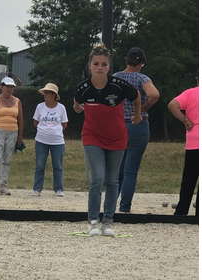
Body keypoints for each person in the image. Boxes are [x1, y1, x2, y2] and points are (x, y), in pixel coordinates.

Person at [73, 43, 142, 236]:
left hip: (117, 137)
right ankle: (93, 221)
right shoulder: (83, 87)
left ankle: (108, 221)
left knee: (112, 180)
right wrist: (77, 108)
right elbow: (77, 102)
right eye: (96, 64)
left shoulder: (119, 85)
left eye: (104, 64)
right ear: (90, 65)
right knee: (98, 177)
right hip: (92, 136)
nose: (100, 68)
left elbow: (137, 97)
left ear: (109, 66)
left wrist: (137, 116)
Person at [113, 47, 160, 213]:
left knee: (118, 169)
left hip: (118, 125)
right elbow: (154, 95)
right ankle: (124, 207)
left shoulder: (115, 78)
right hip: (137, 125)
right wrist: (144, 108)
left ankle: (110, 205)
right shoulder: (142, 78)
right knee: (130, 170)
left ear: (126, 60)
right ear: (141, 63)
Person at [167, 75, 199, 216]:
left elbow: (172, 105)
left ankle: (181, 211)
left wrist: (185, 120)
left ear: (198, 78)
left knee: (189, 178)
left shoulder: (190, 93)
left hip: (194, 138)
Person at [31, 83, 68, 197]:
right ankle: (37, 188)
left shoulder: (61, 108)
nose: (45, 95)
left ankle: (58, 189)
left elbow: (64, 124)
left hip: (57, 141)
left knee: (57, 166)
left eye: (47, 93)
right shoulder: (40, 107)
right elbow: (36, 122)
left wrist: (55, 132)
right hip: (41, 140)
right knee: (40, 165)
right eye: (44, 93)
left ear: (53, 95)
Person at [0, 77, 24, 195]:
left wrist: (20, 136)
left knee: (7, 159)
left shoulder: (17, 101)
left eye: (12, 87)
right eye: (7, 86)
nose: (9, 89)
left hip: (12, 131)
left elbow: (20, 119)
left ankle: (3, 185)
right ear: (1, 87)